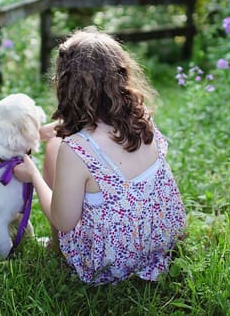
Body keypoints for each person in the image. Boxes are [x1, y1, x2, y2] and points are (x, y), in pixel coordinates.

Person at [14, 27, 186, 285]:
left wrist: (34, 176)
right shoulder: (142, 118)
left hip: (110, 261)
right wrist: (60, 127)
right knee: (58, 145)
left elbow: (64, 221)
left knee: (53, 149)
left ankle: (57, 247)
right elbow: (101, 134)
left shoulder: (75, 150)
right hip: (159, 241)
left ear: (67, 84)